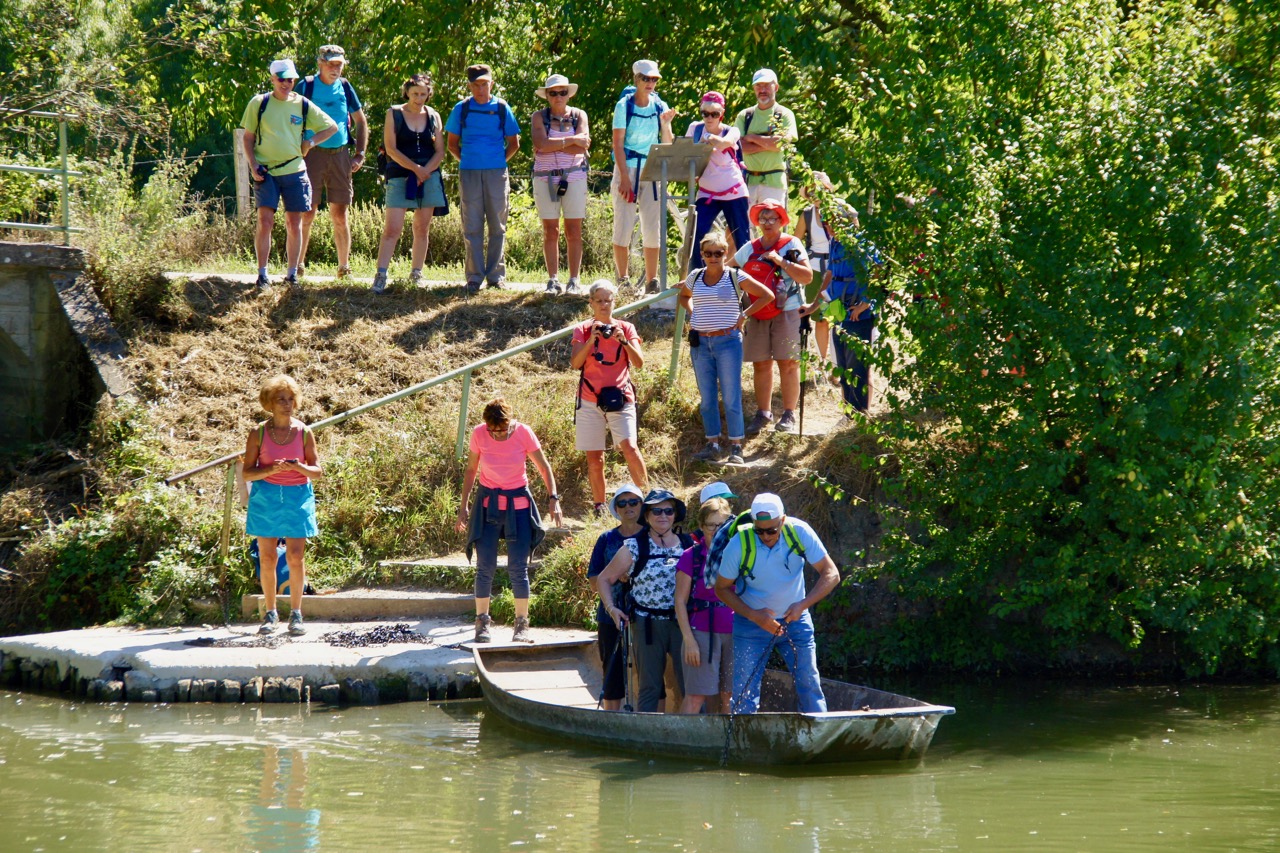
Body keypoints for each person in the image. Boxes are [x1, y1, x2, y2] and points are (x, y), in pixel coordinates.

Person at [713, 493, 841, 714]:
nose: (765, 536)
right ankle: (743, 743)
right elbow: (721, 588)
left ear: (783, 520)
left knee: (809, 683)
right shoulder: (738, 544)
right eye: (759, 530)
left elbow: (831, 574)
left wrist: (802, 604)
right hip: (751, 626)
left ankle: (819, 735)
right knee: (744, 694)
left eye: (771, 530)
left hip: (796, 622)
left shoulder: (799, 532)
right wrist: (754, 615)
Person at [456, 398, 564, 643]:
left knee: (518, 567)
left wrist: (553, 498)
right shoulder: (479, 434)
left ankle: (521, 625)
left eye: (502, 429)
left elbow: (544, 467)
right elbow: (471, 470)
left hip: (518, 506)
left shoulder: (523, 432)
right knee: (485, 567)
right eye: (493, 430)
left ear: (509, 422)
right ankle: (482, 622)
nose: (497, 435)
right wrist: (463, 506)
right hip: (487, 506)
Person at [240, 59, 338, 290]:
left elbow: (332, 126)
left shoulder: (302, 104)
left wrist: (311, 142)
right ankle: (262, 274)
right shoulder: (259, 103)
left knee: (295, 223)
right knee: (265, 221)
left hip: (295, 171)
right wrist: (253, 164)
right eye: (281, 78)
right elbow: (247, 138)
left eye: (290, 79)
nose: (286, 83)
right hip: (267, 172)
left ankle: (292, 274)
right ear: (272, 79)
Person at [678, 232, 775, 464]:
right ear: (702, 255)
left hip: (728, 342)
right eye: (708, 253)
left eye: (719, 253)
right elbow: (683, 297)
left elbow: (767, 295)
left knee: (731, 396)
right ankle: (712, 444)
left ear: (726, 254)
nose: (713, 257)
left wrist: (744, 315)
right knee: (707, 398)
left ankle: (736, 447)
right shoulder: (695, 276)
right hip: (700, 343)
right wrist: (694, 312)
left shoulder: (735, 275)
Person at [597, 489, 693, 713]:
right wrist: (612, 610)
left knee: (690, 684)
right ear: (647, 515)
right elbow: (604, 579)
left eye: (668, 511)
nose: (663, 516)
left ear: (675, 514)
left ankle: (694, 735)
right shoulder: (634, 546)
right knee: (650, 686)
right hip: (646, 625)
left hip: (683, 624)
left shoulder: (688, 544)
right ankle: (648, 736)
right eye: (656, 511)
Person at [242, 374, 323, 636]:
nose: (287, 404)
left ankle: (297, 614)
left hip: (297, 497)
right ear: (269, 402)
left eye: (290, 399)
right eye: (280, 399)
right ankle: (270, 613)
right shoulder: (258, 433)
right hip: (266, 497)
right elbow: (247, 473)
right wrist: (268, 470)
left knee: (296, 556)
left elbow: (317, 471)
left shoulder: (304, 432)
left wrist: (299, 467)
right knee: (267, 557)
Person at [729, 199, 813, 434]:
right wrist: (695, 279)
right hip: (757, 311)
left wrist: (781, 261)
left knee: (788, 363)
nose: (767, 223)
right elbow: (726, 270)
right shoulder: (751, 247)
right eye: (762, 218)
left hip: (788, 311)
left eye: (772, 218)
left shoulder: (792, 243)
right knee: (761, 364)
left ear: (781, 220)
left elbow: (806, 277)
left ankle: (789, 414)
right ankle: (763, 413)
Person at [570, 281, 649, 516]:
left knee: (630, 447)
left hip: (621, 397)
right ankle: (600, 506)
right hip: (589, 399)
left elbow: (639, 362)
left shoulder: (626, 327)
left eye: (608, 300)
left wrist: (623, 340)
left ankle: (647, 498)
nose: (604, 305)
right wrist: (592, 340)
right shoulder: (583, 329)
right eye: (599, 300)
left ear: (615, 301)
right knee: (595, 457)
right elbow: (575, 364)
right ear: (591, 303)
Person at [445, 64, 521, 294]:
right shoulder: (462, 109)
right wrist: (468, 160)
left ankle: (496, 277)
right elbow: (451, 144)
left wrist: (497, 161)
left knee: (498, 225)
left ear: (492, 84)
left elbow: (514, 143)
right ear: (469, 86)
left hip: (496, 173)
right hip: (469, 172)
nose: (481, 89)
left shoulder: (501, 107)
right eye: (476, 85)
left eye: (484, 84)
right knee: (472, 226)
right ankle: (474, 277)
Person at [802, 201, 884, 414]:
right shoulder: (835, 243)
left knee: (858, 368)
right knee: (843, 366)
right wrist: (813, 306)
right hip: (839, 312)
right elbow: (829, 275)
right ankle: (849, 413)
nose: (829, 227)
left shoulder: (861, 244)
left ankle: (860, 417)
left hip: (859, 315)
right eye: (827, 222)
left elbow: (879, 273)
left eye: (834, 222)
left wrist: (865, 304)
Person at [296, 45, 368, 281]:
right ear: (320, 63)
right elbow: (291, 118)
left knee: (340, 214)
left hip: (340, 155)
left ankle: (344, 268)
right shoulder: (306, 86)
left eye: (339, 64)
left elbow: (360, 121)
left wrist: (359, 153)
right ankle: (298, 266)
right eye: (331, 64)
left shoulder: (345, 87)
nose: (335, 69)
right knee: (307, 213)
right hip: (311, 155)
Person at [372, 73, 446, 294]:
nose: (419, 98)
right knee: (392, 229)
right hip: (399, 174)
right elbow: (391, 149)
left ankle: (416, 273)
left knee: (422, 228)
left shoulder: (434, 116)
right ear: (407, 92)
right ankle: (381, 275)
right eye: (415, 93)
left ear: (428, 94)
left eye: (423, 94)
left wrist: (426, 171)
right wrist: (415, 169)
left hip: (429, 174)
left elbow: (440, 151)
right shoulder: (393, 113)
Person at [611, 59, 676, 294]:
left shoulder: (660, 106)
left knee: (652, 225)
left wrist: (666, 124)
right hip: (627, 168)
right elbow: (618, 144)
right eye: (646, 79)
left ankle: (652, 280)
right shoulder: (623, 106)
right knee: (624, 223)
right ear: (636, 79)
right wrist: (625, 179)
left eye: (654, 79)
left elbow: (667, 144)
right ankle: (623, 279)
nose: (650, 83)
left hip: (652, 168)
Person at [585, 483, 646, 710]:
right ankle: (612, 718)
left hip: (643, 613)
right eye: (623, 503)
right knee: (611, 669)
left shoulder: (651, 536)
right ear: (616, 509)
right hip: (610, 614)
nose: (628, 507)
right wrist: (614, 574)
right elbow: (594, 580)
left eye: (633, 502)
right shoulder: (606, 539)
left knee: (648, 667)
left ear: (641, 505)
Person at [531, 74, 591, 295]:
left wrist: (552, 145)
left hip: (574, 176)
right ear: (547, 95)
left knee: (574, 230)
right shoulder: (538, 117)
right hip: (544, 177)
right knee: (550, 230)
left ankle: (574, 279)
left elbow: (583, 146)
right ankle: (553, 279)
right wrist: (571, 140)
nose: (558, 96)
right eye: (554, 92)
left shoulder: (578, 115)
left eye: (563, 92)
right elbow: (540, 143)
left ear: (569, 94)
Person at [675, 498, 735, 713]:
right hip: (701, 633)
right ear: (701, 526)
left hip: (735, 631)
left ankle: (729, 744)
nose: (717, 530)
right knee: (696, 697)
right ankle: (680, 745)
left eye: (722, 525)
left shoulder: (738, 553)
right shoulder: (691, 556)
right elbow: (680, 602)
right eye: (711, 525)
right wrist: (689, 640)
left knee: (730, 696)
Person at [685, 92, 750, 265]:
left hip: (734, 192)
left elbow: (722, 144)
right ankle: (697, 279)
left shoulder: (732, 131)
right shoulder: (695, 128)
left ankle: (744, 282)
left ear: (721, 114)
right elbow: (681, 150)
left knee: (741, 239)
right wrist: (666, 124)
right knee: (695, 235)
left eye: (714, 113)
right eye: (705, 113)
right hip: (707, 194)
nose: (709, 117)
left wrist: (707, 137)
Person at [734, 69, 798, 210]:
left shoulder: (785, 114)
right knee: (744, 228)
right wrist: (770, 143)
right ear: (754, 89)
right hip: (747, 182)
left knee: (772, 226)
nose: (762, 90)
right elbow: (738, 147)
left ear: (776, 87)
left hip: (774, 182)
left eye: (767, 85)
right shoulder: (745, 116)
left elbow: (782, 143)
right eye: (758, 86)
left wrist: (752, 138)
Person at [792, 171, 836, 372]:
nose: (815, 194)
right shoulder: (807, 214)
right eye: (811, 191)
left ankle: (837, 365)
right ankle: (823, 363)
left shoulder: (840, 210)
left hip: (838, 269)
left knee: (837, 318)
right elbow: (795, 242)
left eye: (818, 189)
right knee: (820, 318)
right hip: (816, 271)